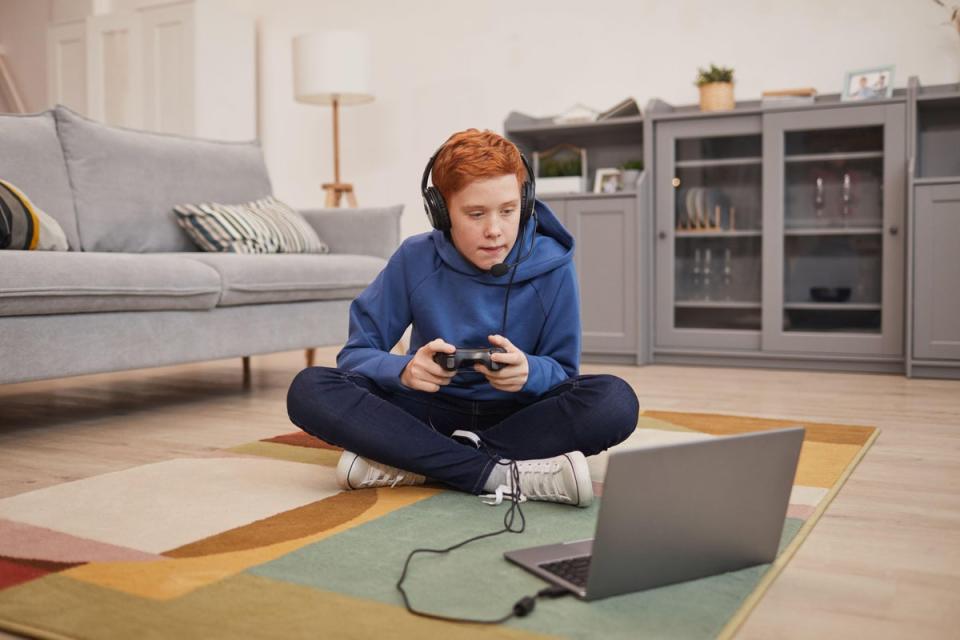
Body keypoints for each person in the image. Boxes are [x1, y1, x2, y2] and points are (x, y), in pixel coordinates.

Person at [286, 129, 639, 508]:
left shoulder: (554, 266)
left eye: (508, 211)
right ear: (441, 212)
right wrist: (403, 371)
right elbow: (356, 354)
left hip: (520, 418)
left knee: (615, 401)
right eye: (475, 214)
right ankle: (496, 473)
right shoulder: (414, 258)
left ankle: (415, 464)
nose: (495, 230)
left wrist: (528, 372)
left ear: (525, 201)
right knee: (309, 389)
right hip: (426, 410)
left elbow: (563, 373)